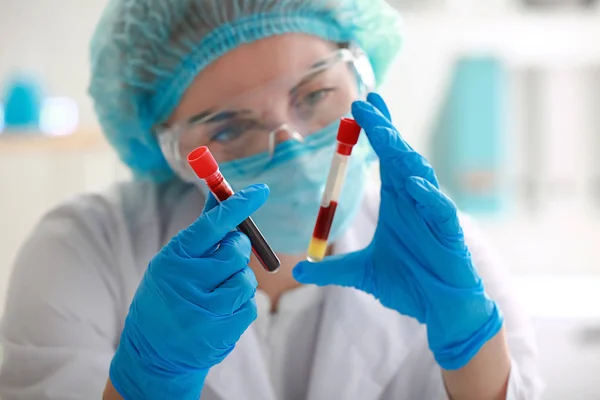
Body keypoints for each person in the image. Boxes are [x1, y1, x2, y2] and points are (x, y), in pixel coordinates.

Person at [0, 1, 543, 399]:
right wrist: (149, 383)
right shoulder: (84, 250)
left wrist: (470, 344)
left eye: (315, 94)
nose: (292, 147)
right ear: (168, 146)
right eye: (231, 127)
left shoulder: (445, 251)